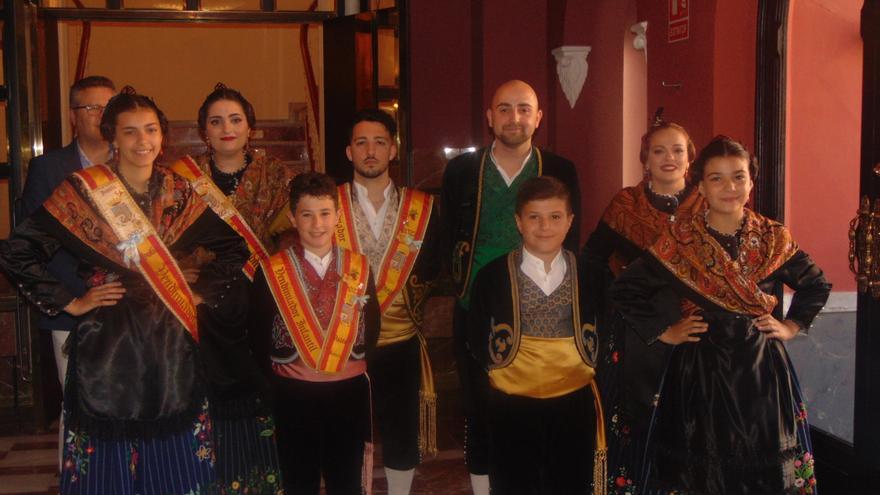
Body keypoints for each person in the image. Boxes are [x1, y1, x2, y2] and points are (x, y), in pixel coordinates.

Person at [0, 86, 249, 494]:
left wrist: (201, 292)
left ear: (162, 136)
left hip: (168, 337)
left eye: (151, 130)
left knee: (175, 455)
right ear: (112, 137)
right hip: (107, 341)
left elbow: (232, 247)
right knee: (107, 458)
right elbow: (19, 251)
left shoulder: (180, 193)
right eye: (130, 132)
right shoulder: (82, 192)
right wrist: (71, 302)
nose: (142, 141)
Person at [610, 135, 831, 494]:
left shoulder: (773, 238)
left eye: (738, 177)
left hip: (761, 371)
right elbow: (625, 290)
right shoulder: (680, 240)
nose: (729, 187)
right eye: (716, 178)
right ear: (700, 185)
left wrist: (791, 326)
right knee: (702, 472)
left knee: (764, 470)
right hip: (700, 371)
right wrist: (665, 331)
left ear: (751, 182)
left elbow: (816, 285)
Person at [440, 79, 580, 493]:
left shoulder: (560, 169)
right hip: (477, 308)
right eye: (504, 108)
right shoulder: (463, 170)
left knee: (541, 414)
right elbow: (449, 233)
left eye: (523, 109)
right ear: (489, 118)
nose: (514, 118)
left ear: (538, 118)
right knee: (480, 408)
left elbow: (572, 237)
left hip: (548, 308)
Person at [167, 83, 297, 493]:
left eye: (236, 120)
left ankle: (262, 479)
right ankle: (207, 479)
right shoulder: (183, 179)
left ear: (251, 128)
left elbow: (294, 236)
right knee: (207, 390)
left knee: (261, 388)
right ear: (204, 130)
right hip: (204, 302)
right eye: (216, 121)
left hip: (263, 296)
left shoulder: (277, 175)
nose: (227, 128)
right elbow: (169, 237)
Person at [579, 117, 702, 493]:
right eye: (658, 150)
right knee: (635, 423)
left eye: (677, 150)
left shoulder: (708, 203)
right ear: (645, 159)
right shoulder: (625, 205)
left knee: (688, 421)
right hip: (637, 334)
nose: (669, 158)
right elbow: (592, 260)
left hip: (697, 332)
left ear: (689, 158)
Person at [467, 176, 605, 495]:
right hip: (511, 403)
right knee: (514, 482)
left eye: (555, 217)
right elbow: (476, 333)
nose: (545, 226)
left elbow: (606, 326)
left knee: (570, 482)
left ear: (570, 221)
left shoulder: (592, 275)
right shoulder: (492, 276)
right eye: (534, 217)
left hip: (574, 402)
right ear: (518, 221)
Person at [253, 172, 381, 495]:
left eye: (325, 213)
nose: (317, 224)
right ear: (294, 218)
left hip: (347, 392)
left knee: (346, 480)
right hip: (294, 394)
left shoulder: (359, 267)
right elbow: (258, 335)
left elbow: (373, 327)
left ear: (338, 216)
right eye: (307, 214)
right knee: (299, 480)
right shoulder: (271, 271)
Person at [334, 109, 440, 494]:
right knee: (346, 431)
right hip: (343, 341)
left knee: (401, 431)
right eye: (361, 142)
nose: (370, 151)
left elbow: (433, 266)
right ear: (349, 152)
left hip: (400, 339)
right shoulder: (328, 205)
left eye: (379, 142)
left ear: (393, 150)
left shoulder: (423, 208)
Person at [20, 76, 116, 391]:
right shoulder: (48, 169)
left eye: (110, 108)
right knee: (79, 405)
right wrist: (74, 298)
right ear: (73, 116)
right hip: (75, 309)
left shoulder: (132, 165)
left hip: (129, 310)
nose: (103, 115)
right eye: (93, 108)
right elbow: (31, 246)